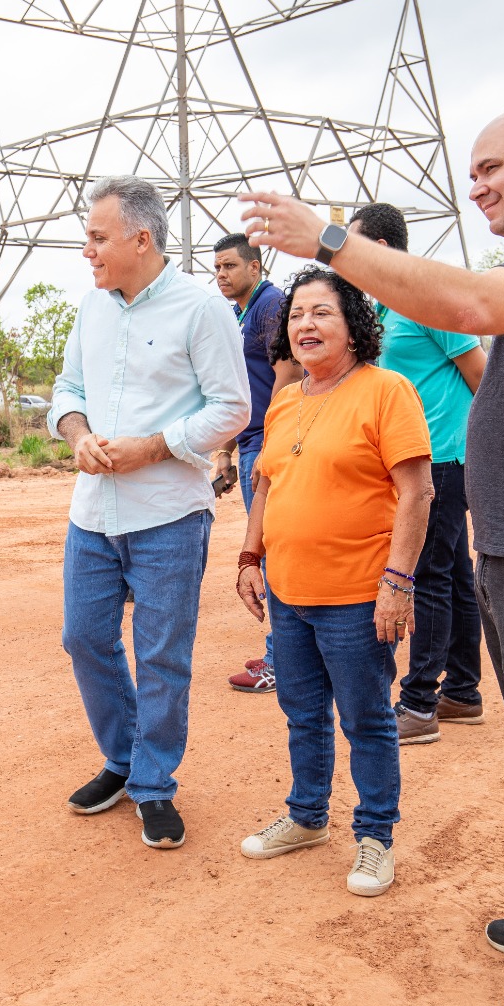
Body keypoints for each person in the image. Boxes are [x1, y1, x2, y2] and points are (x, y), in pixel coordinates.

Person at [242, 108, 504, 1006]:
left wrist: (331, 241)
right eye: (470, 174)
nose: (475, 189)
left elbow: (467, 307)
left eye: (490, 168)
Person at [51, 175, 251, 851]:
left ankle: (154, 784)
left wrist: (153, 447)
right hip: (94, 514)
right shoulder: (92, 307)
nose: (87, 250)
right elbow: (68, 388)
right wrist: (78, 434)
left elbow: (233, 407)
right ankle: (123, 757)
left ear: (141, 238)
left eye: (97, 237)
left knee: (163, 656)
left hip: (168, 512)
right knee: (84, 638)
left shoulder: (201, 308)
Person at [234, 266, 433, 897]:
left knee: (366, 717)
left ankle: (376, 837)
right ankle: (307, 817)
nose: (305, 325)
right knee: (301, 713)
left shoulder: (386, 390)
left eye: (321, 313)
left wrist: (398, 580)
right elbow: (268, 481)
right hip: (289, 592)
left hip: (357, 594)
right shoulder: (287, 400)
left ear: (353, 325)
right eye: (296, 315)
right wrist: (248, 556)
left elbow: (417, 491)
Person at [347, 203, 487, 745]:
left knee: (427, 576)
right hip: (414, 460)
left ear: (379, 249)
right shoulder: (383, 308)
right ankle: (464, 693)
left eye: (351, 248)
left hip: (443, 460)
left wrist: (485, 453)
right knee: (452, 574)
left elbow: (482, 376)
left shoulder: (427, 302)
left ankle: (420, 703)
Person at [210, 233, 301, 694]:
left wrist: (269, 443)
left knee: (272, 552)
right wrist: (226, 449)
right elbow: (239, 391)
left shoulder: (271, 306)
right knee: (270, 549)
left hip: (268, 443)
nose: (222, 275)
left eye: (230, 266)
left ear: (255, 265)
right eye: (217, 268)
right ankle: (286, 653)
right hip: (250, 441)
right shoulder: (241, 312)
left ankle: (283, 662)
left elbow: (288, 375)